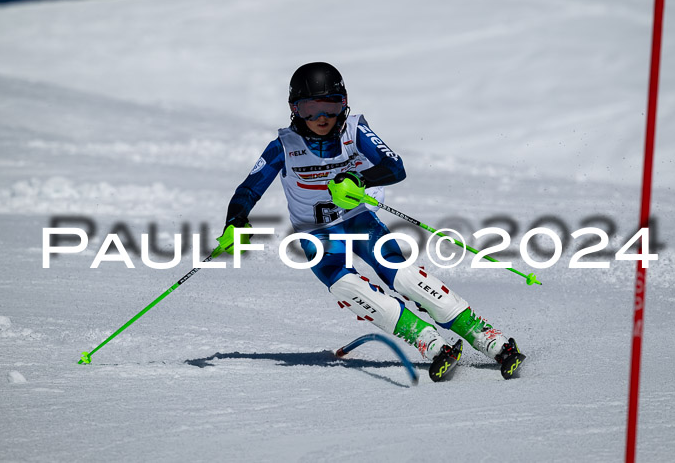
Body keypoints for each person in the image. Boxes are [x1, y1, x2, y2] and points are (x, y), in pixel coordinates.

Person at [218, 62, 525, 381]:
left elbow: (395, 167)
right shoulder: (284, 146)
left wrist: (358, 177)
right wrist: (235, 221)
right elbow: (248, 189)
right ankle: (428, 341)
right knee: (347, 288)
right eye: (310, 109)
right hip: (316, 235)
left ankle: (487, 337)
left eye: (331, 106)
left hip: (358, 220)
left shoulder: (354, 130)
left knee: (404, 277)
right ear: (295, 110)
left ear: (344, 103)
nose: (321, 118)